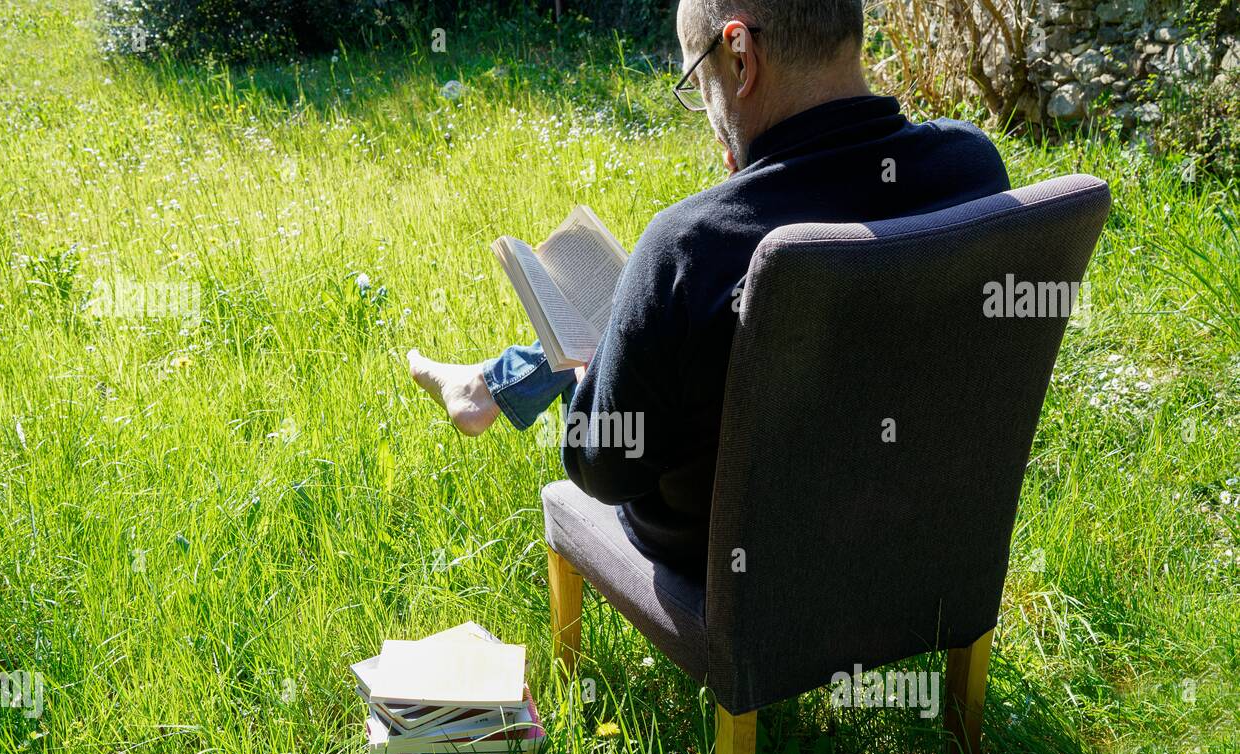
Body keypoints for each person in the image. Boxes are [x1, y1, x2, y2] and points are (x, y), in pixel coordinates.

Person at [409, 0, 1011, 576]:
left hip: (737, 567)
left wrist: (584, 377)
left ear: (741, 55)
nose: (707, 112)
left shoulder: (690, 245)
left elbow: (602, 468)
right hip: (924, 539)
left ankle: (493, 385)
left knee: (642, 322)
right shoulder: (973, 167)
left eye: (698, 82)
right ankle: (490, 384)